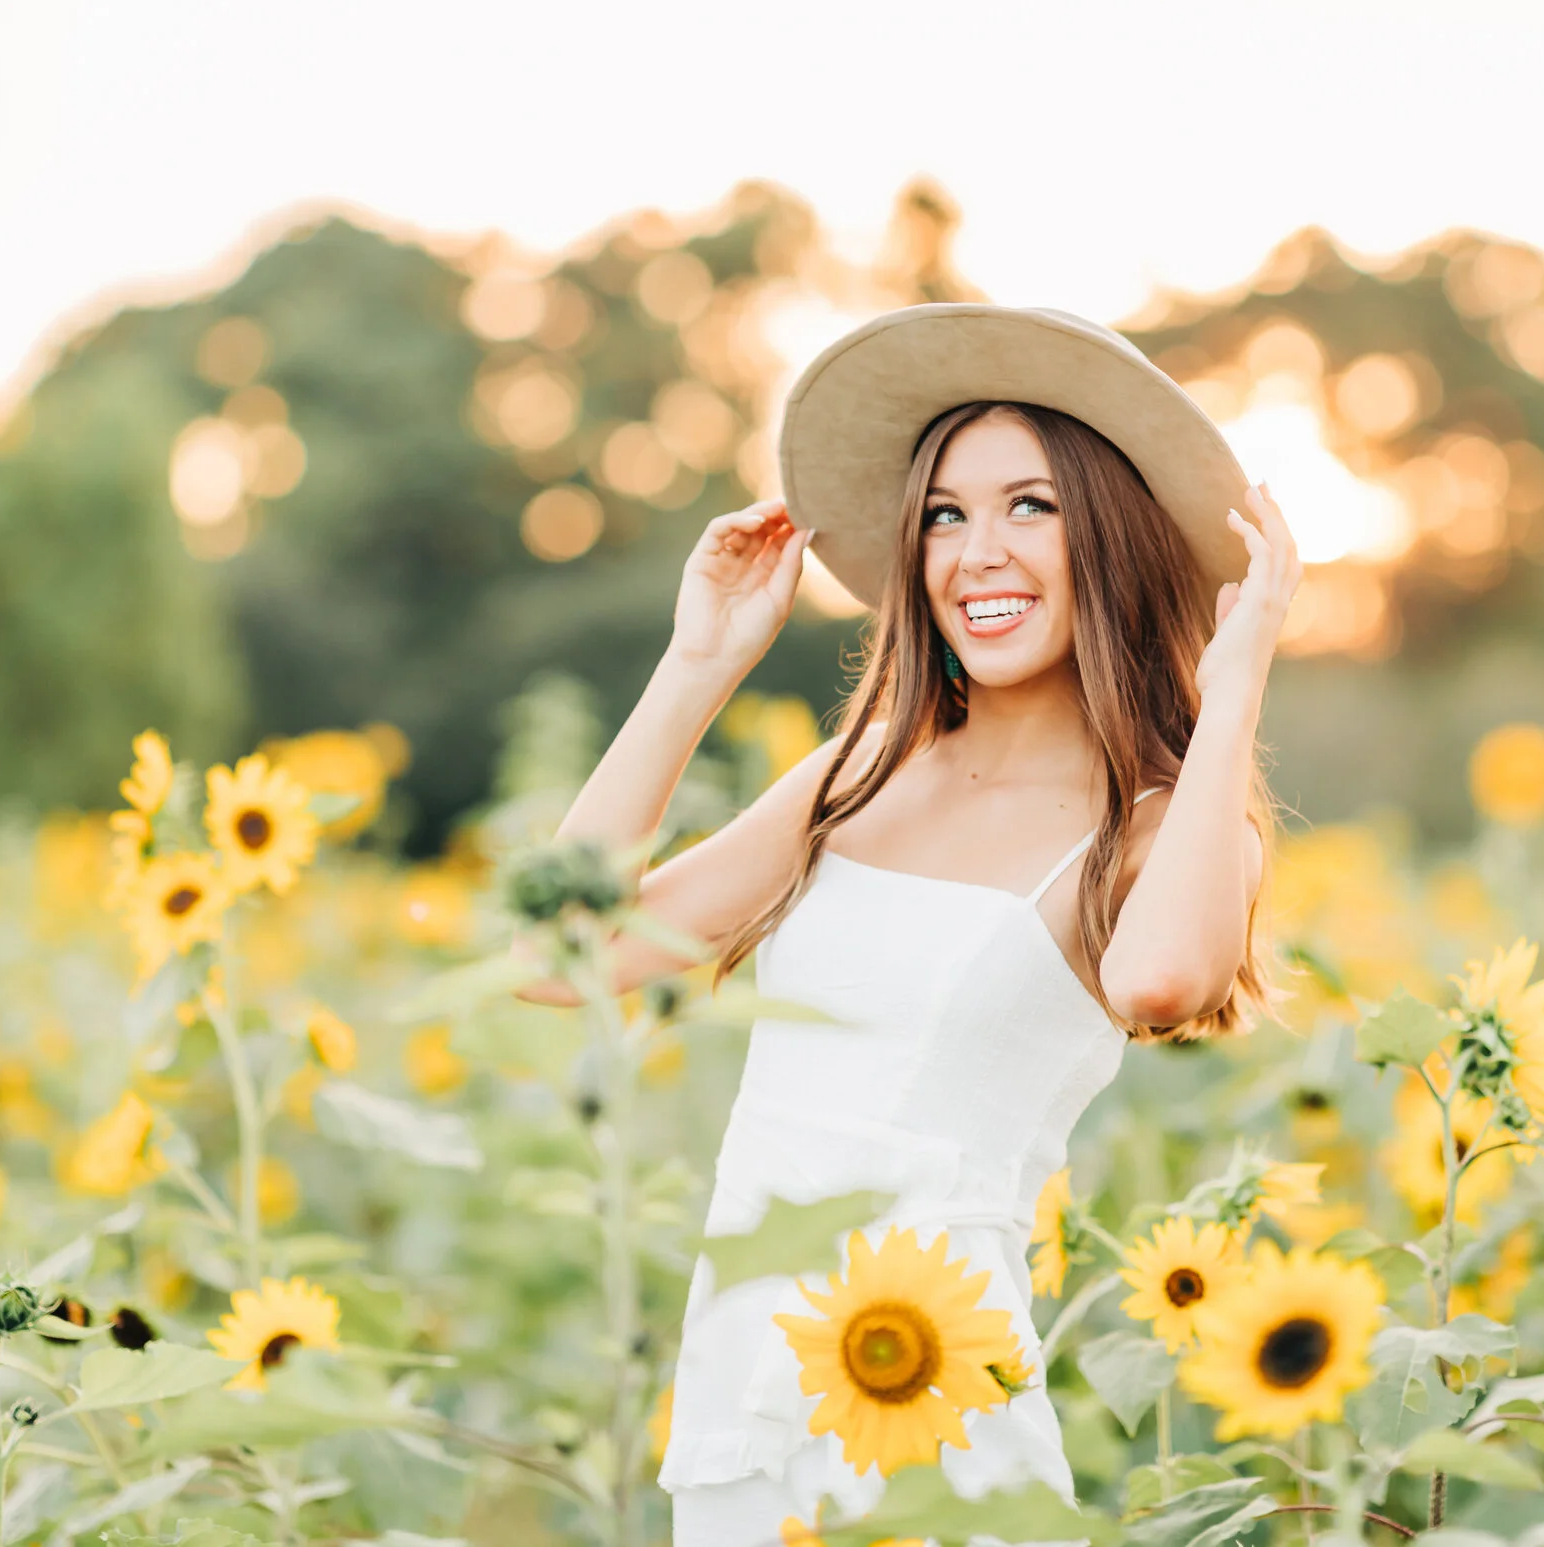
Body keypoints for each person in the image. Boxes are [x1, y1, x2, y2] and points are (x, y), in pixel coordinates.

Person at [536, 304, 1303, 1546]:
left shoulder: (1159, 823)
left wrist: (1235, 686)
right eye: (944, 512)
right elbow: (559, 955)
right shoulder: (859, 775)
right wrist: (695, 665)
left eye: (1029, 507)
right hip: (747, 1384)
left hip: (936, 1413)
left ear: (1107, 539)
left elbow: (1161, 978)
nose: (975, 551)